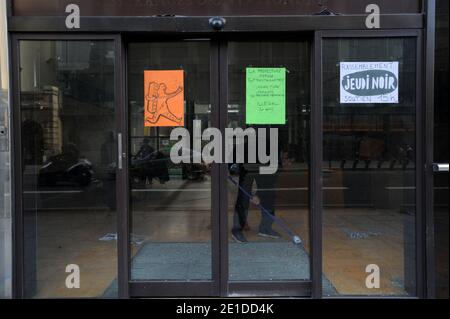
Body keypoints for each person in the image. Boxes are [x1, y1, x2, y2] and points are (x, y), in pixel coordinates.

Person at [230, 125, 284, 243]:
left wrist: (259, 194)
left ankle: (265, 228)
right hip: (248, 172)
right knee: (243, 198)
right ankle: (237, 230)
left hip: (265, 172)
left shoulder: (271, 145)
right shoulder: (242, 147)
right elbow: (232, 164)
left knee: (268, 195)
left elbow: (277, 166)